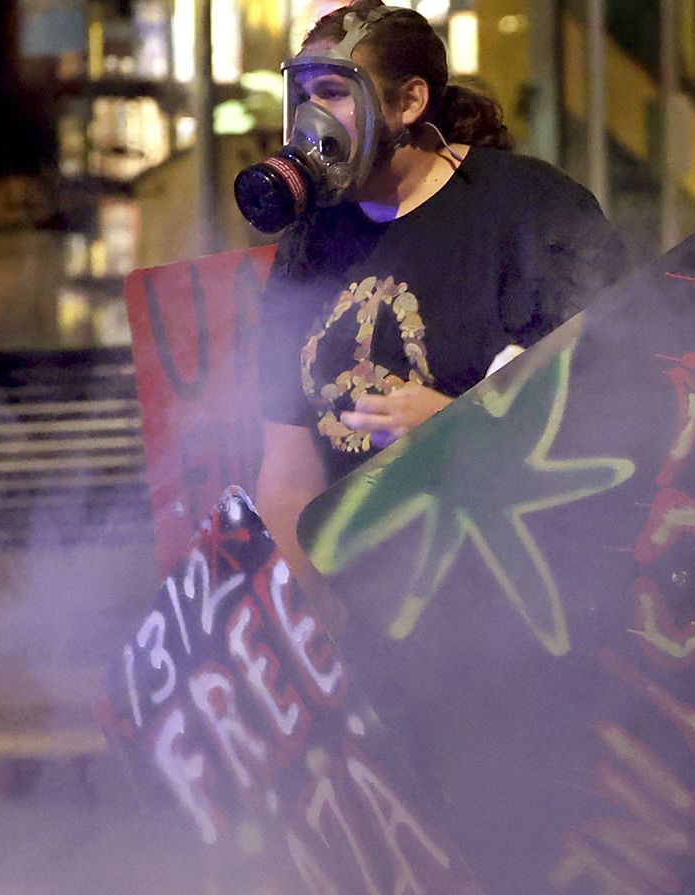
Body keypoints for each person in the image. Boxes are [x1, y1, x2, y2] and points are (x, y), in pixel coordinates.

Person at [252, 0, 629, 576]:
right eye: (304, 96)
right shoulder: (311, 237)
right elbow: (285, 475)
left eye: (333, 92)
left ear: (409, 102)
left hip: (505, 595)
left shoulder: (527, 210)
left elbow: (621, 408)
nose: (311, 117)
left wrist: (459, 431)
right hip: (364, 603)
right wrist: (319, 627)